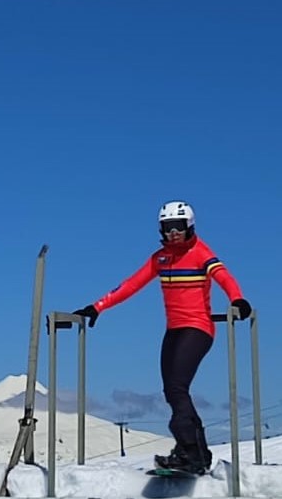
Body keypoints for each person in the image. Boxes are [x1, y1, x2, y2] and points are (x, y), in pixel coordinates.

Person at [73, 201, 250, 475]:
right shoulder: (161, 258)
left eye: (178, 227)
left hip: (198, 328)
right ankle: (197, 453)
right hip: (174, 330)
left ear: (189, 226)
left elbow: (224, 277)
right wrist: (97, 307)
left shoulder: (200, 253)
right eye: (168, 228)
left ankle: (190, 452)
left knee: (177, 388)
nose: (173, 233)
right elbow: (131, 284)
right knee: (172, 391)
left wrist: (237, 300)